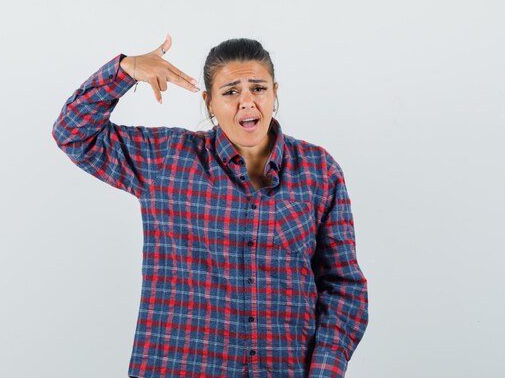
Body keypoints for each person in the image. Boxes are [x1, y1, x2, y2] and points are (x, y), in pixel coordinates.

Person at [51, 34, 369, 378]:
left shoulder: (318, 171)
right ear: (209, 103)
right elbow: (73, 134)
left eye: (258, 88)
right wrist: (125, 70)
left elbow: (344, 287)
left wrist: (324, 371)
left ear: (275, 93)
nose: (247, 102)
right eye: (231, 92)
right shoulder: (168, 159)